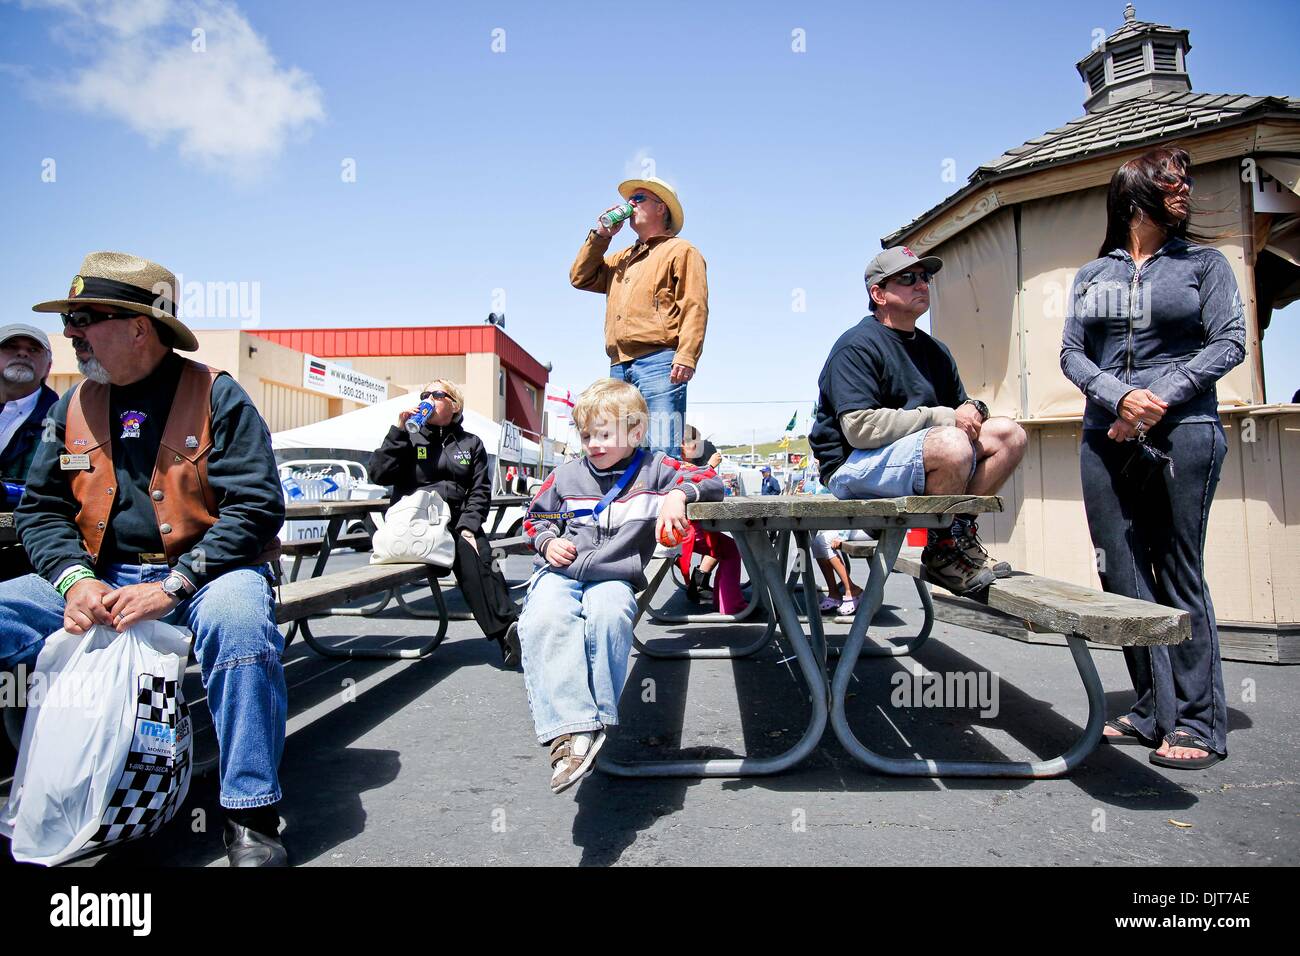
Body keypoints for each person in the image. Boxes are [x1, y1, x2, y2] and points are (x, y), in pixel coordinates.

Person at [0, 252, 289, 865]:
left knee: (240, 625)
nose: (71, 332)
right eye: (70, 319)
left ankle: (251, 811)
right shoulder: (70, 405)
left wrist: (176, 583)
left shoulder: (218, 394)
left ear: (139, 326)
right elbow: (41, 510)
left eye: (86, 317)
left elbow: (257, 506)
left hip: (207, 574)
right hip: (98, 578)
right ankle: (39, 789)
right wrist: (75, 580)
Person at [1061, 145, 1245, 770]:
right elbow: (1072, 355)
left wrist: (1156, 399)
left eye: (1188, 180)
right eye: (1173, 180)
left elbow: (1231, 342)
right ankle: (1150, 706)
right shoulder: (1093, 276)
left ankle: (1198, 721)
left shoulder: (1204, 265)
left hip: (1185, 431)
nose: (1186, 190)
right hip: (1102, 435)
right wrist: (1118, 397)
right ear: (1135, 193)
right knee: (1120, 574)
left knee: (1176, 570)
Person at [517, 379, 723, 793]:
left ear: (635, 433)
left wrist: (677, 496)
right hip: (561, 572)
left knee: (609, 615)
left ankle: (588, 727)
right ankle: (570, 733)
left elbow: (713, 479)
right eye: (587, 434)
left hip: (614, 576)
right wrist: (546, 540)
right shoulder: (565, 474)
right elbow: (532, 519)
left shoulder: (657, 469)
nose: (593, 443)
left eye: (604, 434)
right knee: (545, 618)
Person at [808, 246, 1026, 595]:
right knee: (951, 443)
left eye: (925, 277)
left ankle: (955, 538)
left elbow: (961, 409)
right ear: (877, 293)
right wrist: (943, 417)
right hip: (851, 467)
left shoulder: (934, 350)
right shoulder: (856, 346)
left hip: (915, 459)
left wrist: (976, 409)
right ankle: (942, 554)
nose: (921, 284)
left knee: (1010, 435)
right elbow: (860, 429)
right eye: (907, 278)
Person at [368, 379, 520, 666]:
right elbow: (379, 474)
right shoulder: (410, 437)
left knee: (479, 554)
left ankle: (508, 634)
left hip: (457, 520)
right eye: (424, 393)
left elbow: (479, 491)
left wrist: (469, 525)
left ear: (455, 404)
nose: (428, 398)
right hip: (418, 523)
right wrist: (398, 430)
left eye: (437, 394)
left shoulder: (470, 443)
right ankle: (511, 627)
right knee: (475, 551)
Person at [570, 175, 708, 459]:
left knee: (660, 443)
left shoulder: (681, 250)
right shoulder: (620, 258)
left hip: (660, 360)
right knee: (624, 446)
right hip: (620, 363)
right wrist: (601, 236)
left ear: (661, 208)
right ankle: (634, 501)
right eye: (629, 200)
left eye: (639, 199)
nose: (630, 204)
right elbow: (580, 277)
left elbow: (695, 305)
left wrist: (687, 355)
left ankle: (662, 500)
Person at [0, 324, 59, 580]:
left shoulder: (68, 420)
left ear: (48, 366)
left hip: (24, 552)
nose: (22, 353)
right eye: (11, 347)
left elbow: (64, 491)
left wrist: (6, 492)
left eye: (33, 349)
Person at [678, 424, 744, 612]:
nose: (699, 447)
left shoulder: (672, 462)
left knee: (726, 546)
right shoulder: (682, 466)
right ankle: (731, 604)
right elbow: (700, 482)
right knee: (731, 550)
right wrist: (710, 466)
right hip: (684, 530)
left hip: (683, 528)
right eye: (696, 443)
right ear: (684, 444)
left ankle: (711, 590)